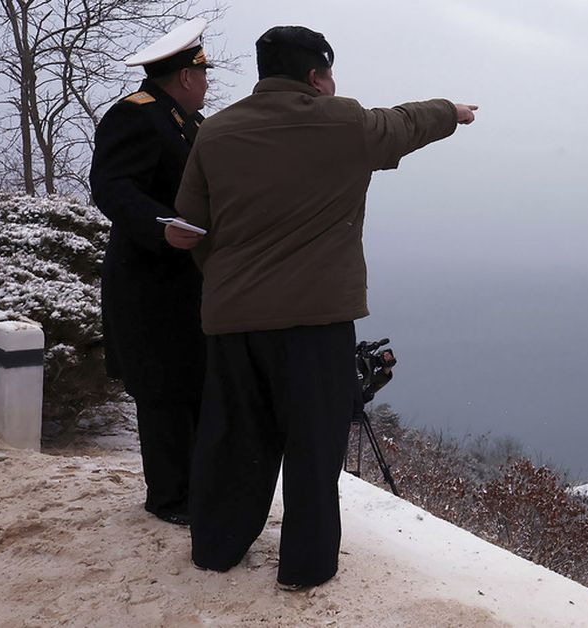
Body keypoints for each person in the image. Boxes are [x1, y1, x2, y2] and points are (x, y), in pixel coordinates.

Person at [167, 25, 477, 590]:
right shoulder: (345, 123)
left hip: (234, 319)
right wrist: (451, 111)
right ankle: (305, 568)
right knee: (313, 446)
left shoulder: (215, 133)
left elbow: (191, 228)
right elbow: (406, 122)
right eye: (329, 75)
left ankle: (216, 550)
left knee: (234, 437)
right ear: (316, 76)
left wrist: (228, 282)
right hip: (316, 323)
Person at [89, 18, 213, 526]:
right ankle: (169, 499)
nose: (207, 84)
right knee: (162, 389)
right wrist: (159, 230)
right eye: (203, 75)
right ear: (185, 77)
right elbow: (111, 186)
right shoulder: (134, 116)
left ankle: (196, 489)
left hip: (189, 281)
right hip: (147, 281)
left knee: (194, 382)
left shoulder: (192, 124)